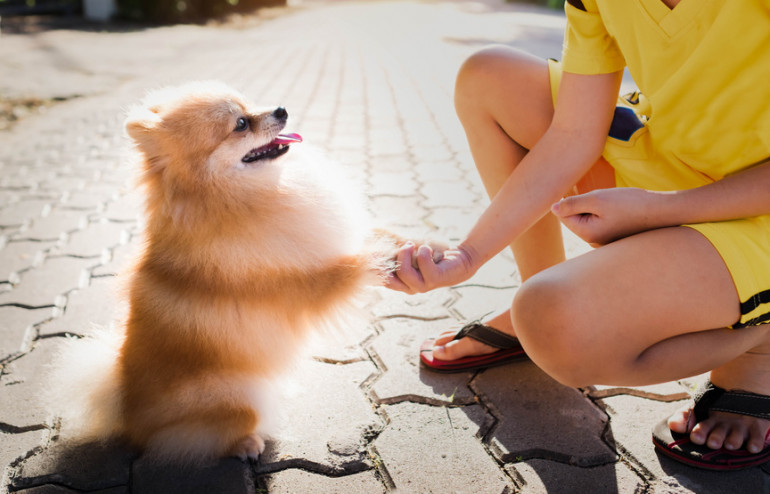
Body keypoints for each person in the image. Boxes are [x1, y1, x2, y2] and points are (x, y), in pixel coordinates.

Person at [386, 0, 770, 471]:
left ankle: (759, 346)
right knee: (489, 77)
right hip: (672, 160)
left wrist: (658, 209)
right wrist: (469, 255)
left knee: (555, 321)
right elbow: (573, 132)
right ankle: (532, 299)